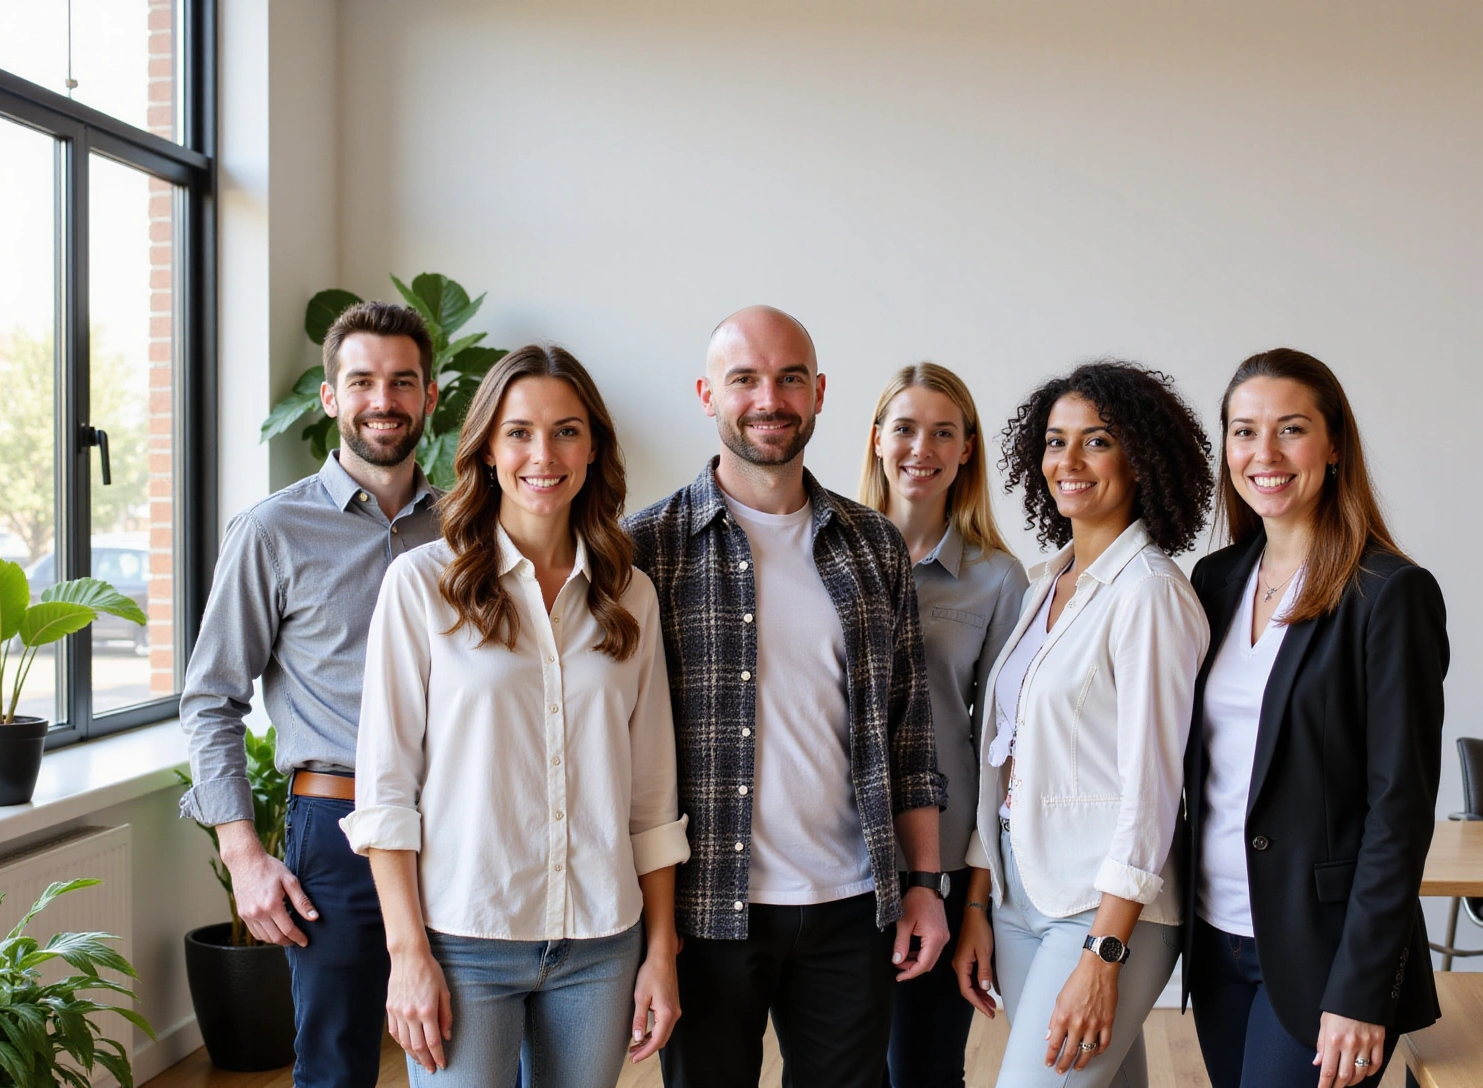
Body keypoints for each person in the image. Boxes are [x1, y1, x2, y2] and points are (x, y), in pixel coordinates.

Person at [342, 345, 689, 1086]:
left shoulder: (631, 597)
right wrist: (408, 958)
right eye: (520, 431)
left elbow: (652, 800)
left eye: (566, 431)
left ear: (592, 448)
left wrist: (660, 953)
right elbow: (386, 793)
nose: (544, 453)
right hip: (464, 941)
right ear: (488, 449)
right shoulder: (421, 587)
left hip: (602, 942)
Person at [626, 306, 949, 1088]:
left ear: (819, 392)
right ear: (708, 394)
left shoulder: (873, 543)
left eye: (789, 378)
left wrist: (925, 885)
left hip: (851, 905)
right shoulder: (646, 548)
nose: (769, 398)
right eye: (745, 379)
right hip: (708, 911)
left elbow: (909, 734)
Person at [179, 301, 442, 1087]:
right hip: (339, 828)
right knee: (335, 1065)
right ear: (330, 397)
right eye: (361, 381)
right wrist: (243, 854)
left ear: (430, 396)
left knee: (470, 1052)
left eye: (402, 381)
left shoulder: (469, 527)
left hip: (464, 818)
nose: (383, 400)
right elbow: (210, 700)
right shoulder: (272, 531)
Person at [1183, 348, 1448, 1088]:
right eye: (1243, 431)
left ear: (1333, 447)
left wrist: (1362, 990)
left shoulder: (1388, 593)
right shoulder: (1216, 580)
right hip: (1217, 938)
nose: (1263, 453)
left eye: (1290, 429)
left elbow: (1400, 809)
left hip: (1327, 956)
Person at [952, 361, 1214, 1088]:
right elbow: (1007, 758)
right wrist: (980, 898)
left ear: (1141, 458)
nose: (1067, 462)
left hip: (1100, 911)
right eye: (1055, 441)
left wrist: (1103, 955)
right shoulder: (1045, 583)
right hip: (1019, 891)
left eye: (1096, 442)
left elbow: (1152, 789)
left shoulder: (1151, 594)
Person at [858, 363, 1029, 1088]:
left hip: (948, 857)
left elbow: (1006, 751)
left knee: (925, 1070)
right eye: (904, 428)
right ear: (875, 441)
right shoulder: (828, 554)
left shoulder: (999, 578)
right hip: (839, 858)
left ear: (966, 451)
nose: (920, 448)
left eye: (942, 432)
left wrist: (981, 897)